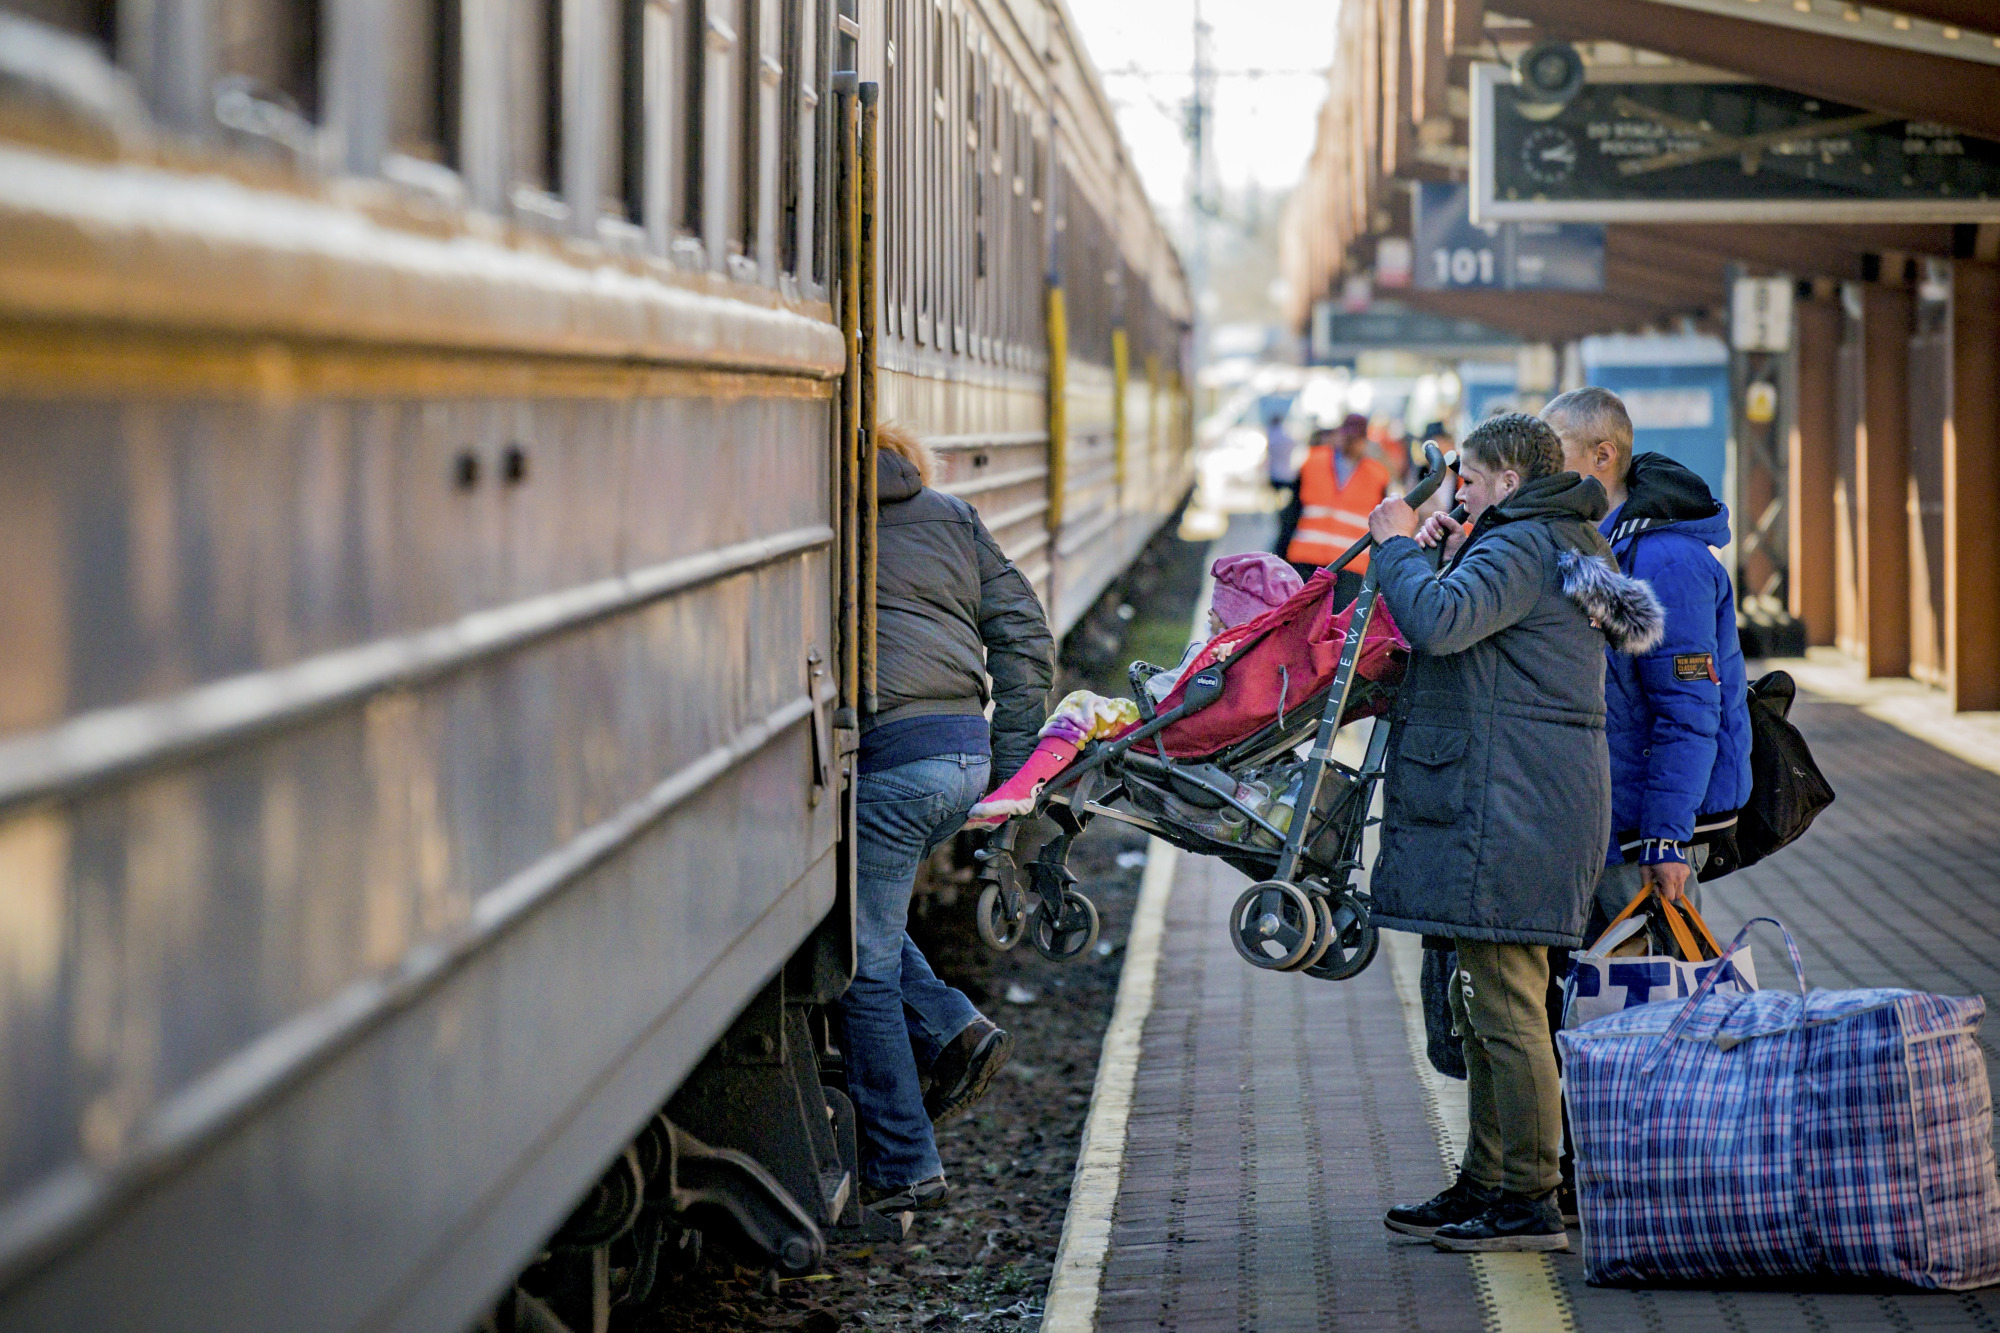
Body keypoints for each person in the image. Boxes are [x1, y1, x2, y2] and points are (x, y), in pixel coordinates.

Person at [1363, 413, 1663, 1253]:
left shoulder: (1524, 545)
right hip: (1520, 796)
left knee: (1506, 1004)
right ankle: (1488, 1178)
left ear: (1507, 481)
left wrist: (1394, 544)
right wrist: (1438, 555)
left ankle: (1527, 1195)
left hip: (1512, 804)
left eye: (1468, 475)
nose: (1457, 486)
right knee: (1484, 995)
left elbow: (1440, 623)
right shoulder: (1555, 542)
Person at [842, 422, 1054, 1213]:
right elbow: (1023, 631)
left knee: (862, 967)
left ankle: (904, 1161)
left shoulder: (831, 519)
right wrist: (1010, 766)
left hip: (892, 766)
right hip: (961, 757)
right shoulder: (954, 516)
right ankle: (959, 1029)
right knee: (872, 930)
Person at [1540, 387, 1751, 926]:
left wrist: (1664, 838)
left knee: (1653, 991)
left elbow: (1688, 709)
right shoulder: (1594, 543)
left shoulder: (1666, 559)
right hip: (1609, 816)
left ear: (1603, 456)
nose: (1540, 463)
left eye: (1553, 448)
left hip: (1641, 831)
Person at [964, 553, 1304, 828]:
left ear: (1240, 617)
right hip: (1177, 723)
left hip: (1166, 730)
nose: (1211, 614)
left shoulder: (1231, 655)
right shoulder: (1258, 660)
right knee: (1088, 718)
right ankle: (1041, 781)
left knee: (1081, 706)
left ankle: (1024, 789)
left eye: (1219, 612)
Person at [1286, 412, 1390, 605]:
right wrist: (1281, 555)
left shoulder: (1377, 475)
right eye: (1347, 436)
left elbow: (1382, 528)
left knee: (1337, 630)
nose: (1351, 443)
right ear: (1339, 434)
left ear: (1364, 441)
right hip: (1307, 561)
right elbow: (1291, 513)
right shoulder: (1313, 462)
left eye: (1356, 439)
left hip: (1350, 569)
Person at [1266, 405, 1305, 559]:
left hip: (1274, 474)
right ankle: (1280, 511)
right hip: (1286, 475)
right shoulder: (1286, 437)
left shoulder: (1271, 436)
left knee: (1278, 501)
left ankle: (1278, 511)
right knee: (1285, 501)